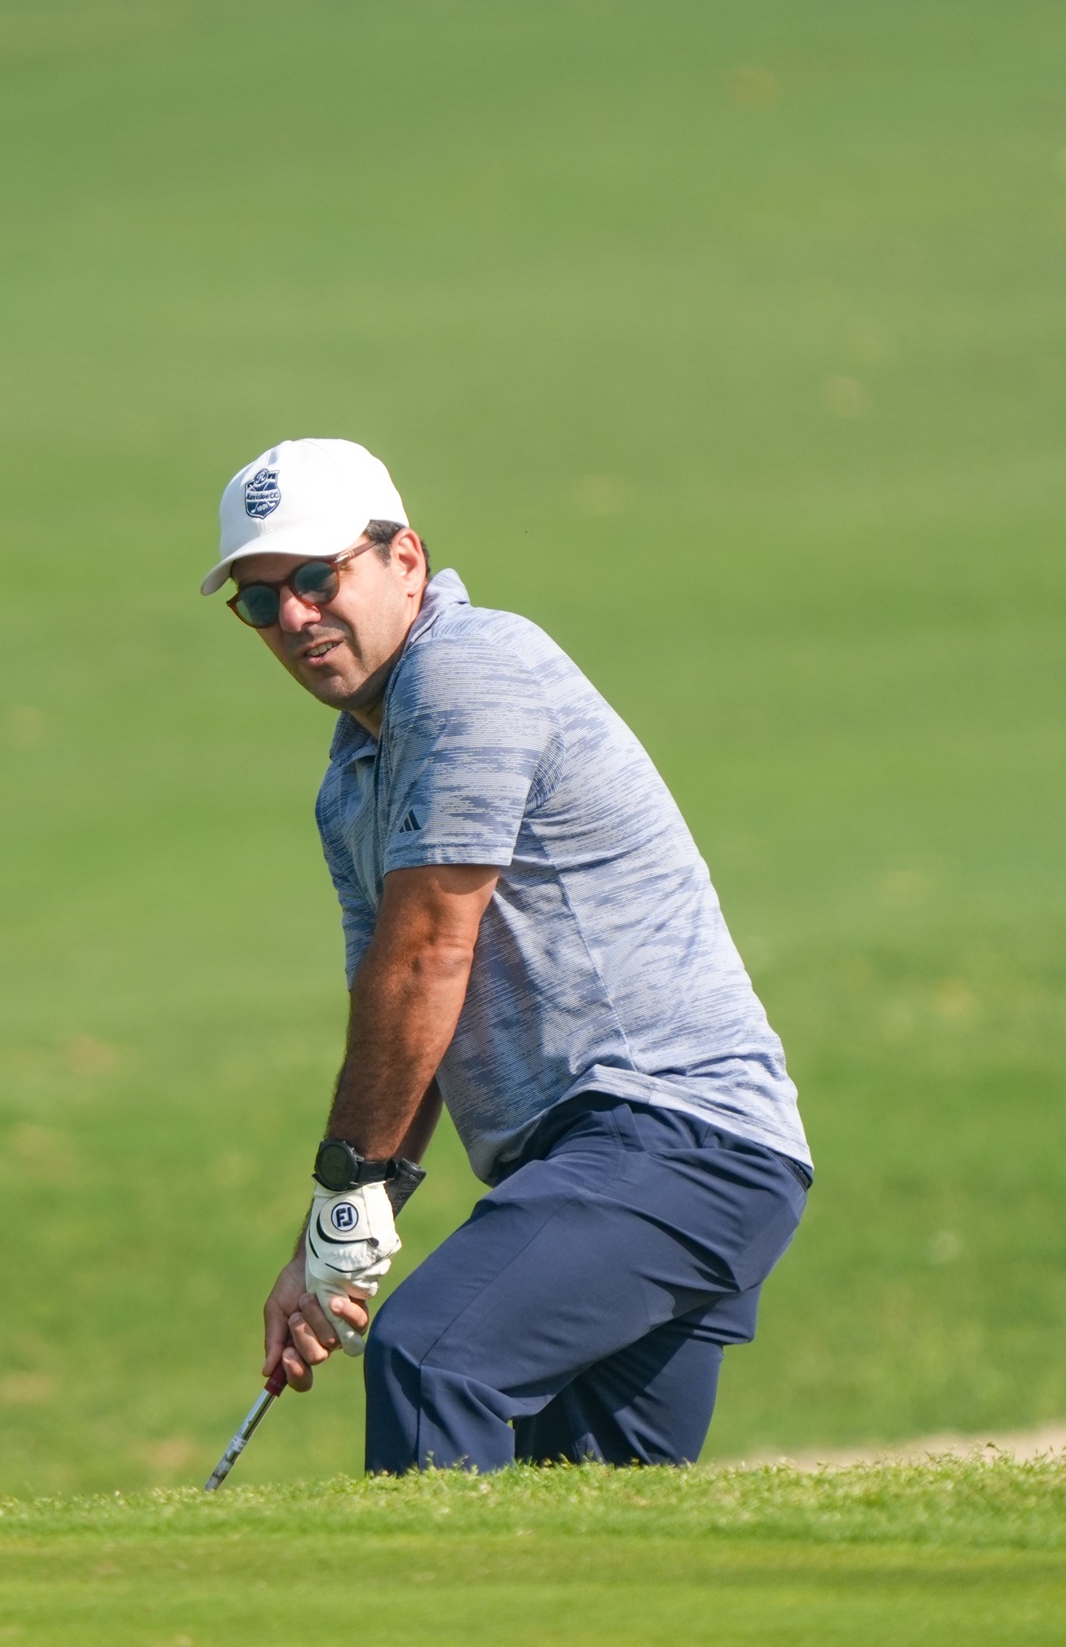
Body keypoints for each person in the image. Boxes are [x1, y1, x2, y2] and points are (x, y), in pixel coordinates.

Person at [200, 437, 813, 1472]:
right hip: (641, 1163)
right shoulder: (351, 779)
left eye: (315, 577)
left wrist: (344, 1202)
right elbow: (401, 1026)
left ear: (404, 560)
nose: (294, 616)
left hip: (667, 1136)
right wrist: (333, 1242)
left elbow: (422, 960)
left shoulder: (469, 665)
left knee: (433, 1357)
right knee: (586, 1512)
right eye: (260, 601)